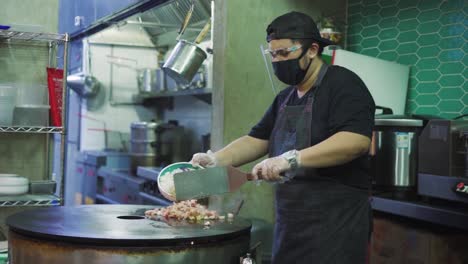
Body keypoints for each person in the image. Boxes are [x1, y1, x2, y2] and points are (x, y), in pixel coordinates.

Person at [191, 11, 375, 264]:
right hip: (292, 222)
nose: (278, 61)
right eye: (273, 55)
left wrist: (292, 159)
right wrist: (216, 159)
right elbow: (257, 139)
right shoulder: (285, 97)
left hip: (335, 223)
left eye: (284, 54)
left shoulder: (343, 84)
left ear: (312, 49)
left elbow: (355, 141)